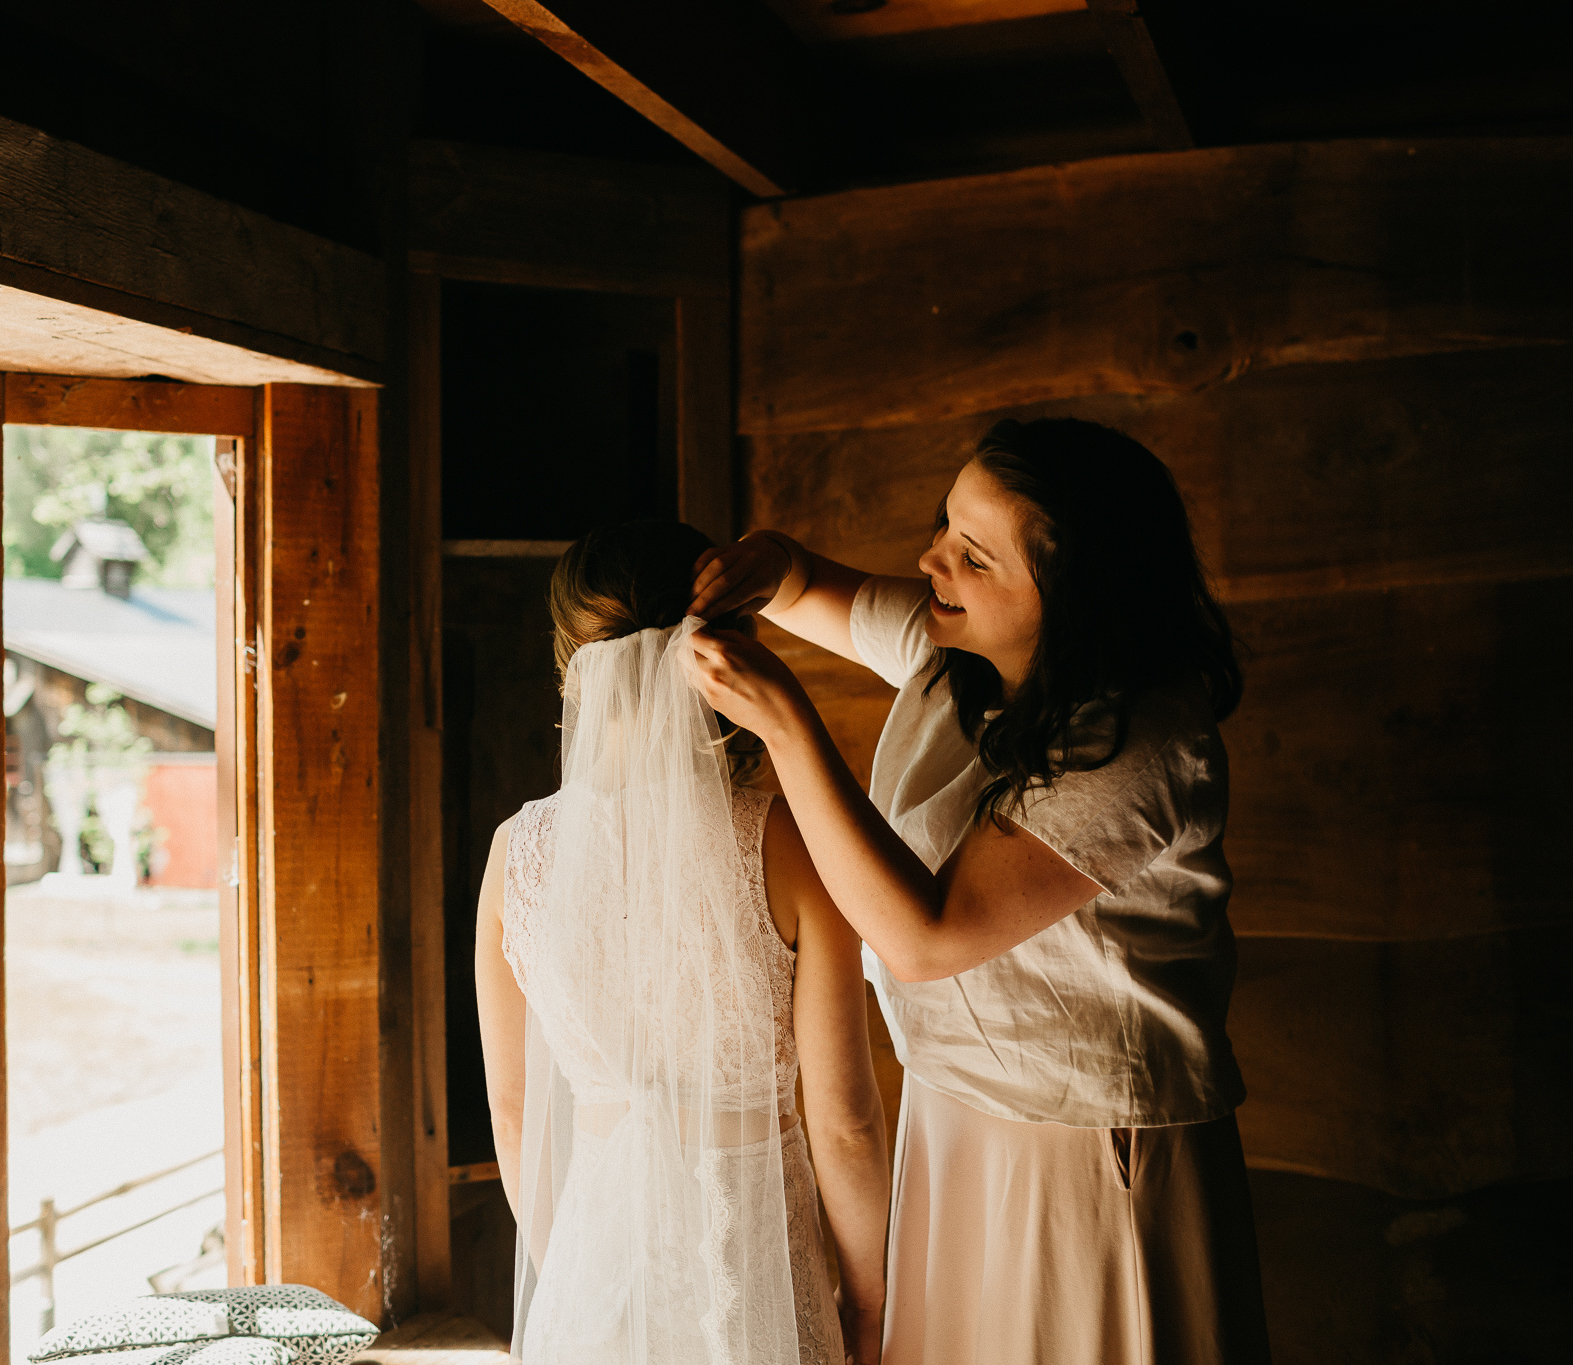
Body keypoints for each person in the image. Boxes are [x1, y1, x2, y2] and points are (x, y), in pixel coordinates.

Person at [686, 419, 1270, 1364]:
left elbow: (924, 936)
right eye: (942, 527)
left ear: (1076, 596)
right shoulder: (948, 646)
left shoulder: (1141, 744)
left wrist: (792, 729)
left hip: (1084, 1145)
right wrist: (764, 563)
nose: (930, 561)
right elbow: (798, 582)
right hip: (955, 1114)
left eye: (972, 554)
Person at [474, 521, 893, 1365]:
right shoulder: (788, 842)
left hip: (593, 1264)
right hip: (754, 1272)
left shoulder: (515, 854)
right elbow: (844, 1121)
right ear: (724, 648)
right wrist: (874, 1299)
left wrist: (569, 1282)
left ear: (573, 666)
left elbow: (517, 1118)